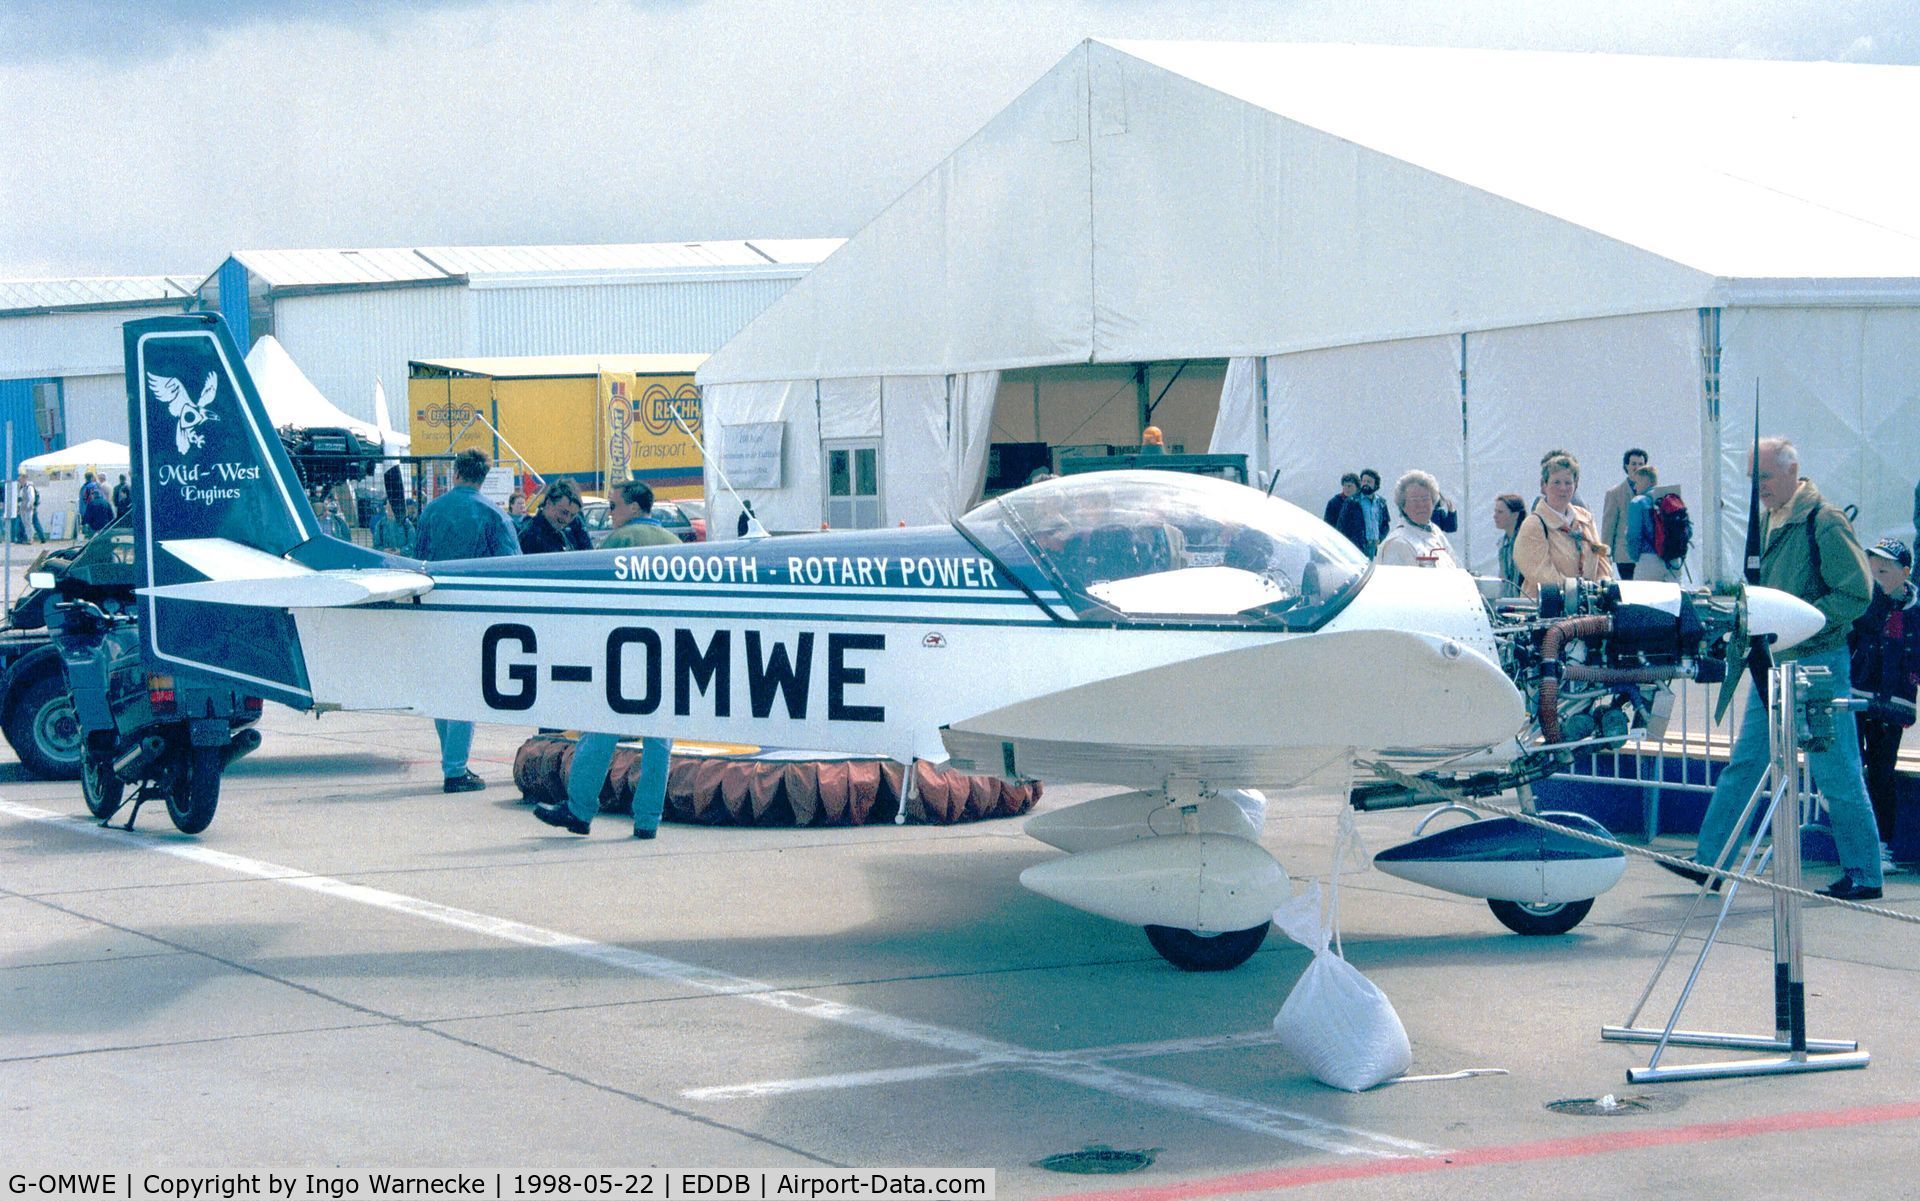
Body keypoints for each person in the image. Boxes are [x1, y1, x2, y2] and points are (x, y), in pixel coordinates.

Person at [1675, 436, 1882, 900]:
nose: (1757, 487)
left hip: (1817, 664)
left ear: (1792, 471)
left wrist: (1798, 624)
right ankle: (1711, 863)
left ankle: (1865, 873)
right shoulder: (1770, 519)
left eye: (1764, 476)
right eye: (1753, 478)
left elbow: (1856, 593)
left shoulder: (1822, 522)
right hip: (1773, 661)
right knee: (1746, 764)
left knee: (1837, 771)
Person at [533, 479, 680, 840]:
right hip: (666, 652)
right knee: (659, 738)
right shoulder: (678, 546)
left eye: (613, 506)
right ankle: (648, 819)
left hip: (623, 653)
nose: (610, 514)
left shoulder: (619, 543)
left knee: (601, 727)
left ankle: (580, 807)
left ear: (633, 507)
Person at [412, 448, 520, 793]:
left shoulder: (432, 511)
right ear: (483, 478)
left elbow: (419, 558)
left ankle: (451, 760)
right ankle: (455, 769)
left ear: (456, 473)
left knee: (441, 689)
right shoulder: (494, 515)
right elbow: (512, 567)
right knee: (465, 690)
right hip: (474, 614)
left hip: (434, 607)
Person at [1851, 538, 1919, 864]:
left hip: (1895, 703)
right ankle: (1857, 843)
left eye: (1886, 565)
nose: (1877, 569)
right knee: (1852, 763)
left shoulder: (1916, 610)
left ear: (1905, 571)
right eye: (1874, 563)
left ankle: (1881, 847)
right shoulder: (1866, 600)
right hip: (1857, 695)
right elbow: (1851, 637)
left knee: (1881, 771)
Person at [1512, 452, 1614, 597]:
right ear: (1544, 485)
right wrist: (1576, 592)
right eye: (1556, 482)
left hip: (1586, 608)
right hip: (1546, 608)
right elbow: (1540, 572)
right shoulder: (1534, 524)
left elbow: (1600, 558)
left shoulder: (1585, 519)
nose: (1563, 488)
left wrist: (1602, 586)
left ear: (1575, 485)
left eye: (1568, 483)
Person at [1375, 470, 1458, 568]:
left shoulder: (1435, 532)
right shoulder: (1397, 543)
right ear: (1403, 506)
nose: (1421, 505)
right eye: (1414, 500)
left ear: (1433, 503)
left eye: (1425, 499)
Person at [1601, 448, 1649, 580]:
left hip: (1647, 554)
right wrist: (1605, 555)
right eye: (1633, 464)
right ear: (1626, 466)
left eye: (1641, 464)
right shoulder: (1615, 493)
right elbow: (1608, 526)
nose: (1637, 467)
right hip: (1625, 555)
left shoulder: (1651, 492)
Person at [1624, 465, 1674, 582]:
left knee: (1641, 599)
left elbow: (1633, 535)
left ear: (1645, 481)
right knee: (1673, 599)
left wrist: (1636, 557)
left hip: (1648, 559)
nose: (1635, 487)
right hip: (1674, 561)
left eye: (1636, 482)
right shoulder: (1672, 500)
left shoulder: (1638, 502)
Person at [518, 479, 590, 554]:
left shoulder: (574, 526)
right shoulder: (530, 535)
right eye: (564, 512)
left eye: (572, 515)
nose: (567, 520)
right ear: (549, 503)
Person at [1337, 469, 1389, 559]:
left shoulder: (1380, 503)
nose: (1365, 484)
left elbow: (1385, 524)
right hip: (1357, 546)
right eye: (1363, 481)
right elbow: (1342, 526)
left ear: (1376, 484)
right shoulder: (1352, 502)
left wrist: (1380, 538)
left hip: (1374, 547)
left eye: (1369, 481)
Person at [1492, 493, 1527, 597]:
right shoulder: (1502, 544)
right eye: (1495, 511)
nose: (1495, 516)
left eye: (1500, 512)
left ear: (1515, 515)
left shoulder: (1526, 542)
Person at [1323, 473, 1360, 538]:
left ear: (1357, 487)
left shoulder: (1362, 503)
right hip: (1339, 540)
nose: (1346, 488)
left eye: (1349, 486)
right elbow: (1328, 525)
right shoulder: (1334, 503)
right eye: (1344, 486)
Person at [79, 471, 114, 535]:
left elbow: (83, 500)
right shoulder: (93, 486)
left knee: (89, 535)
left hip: (84, 513)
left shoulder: (82, 487)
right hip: (93, 513)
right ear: (92, 477)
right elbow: (94, 497)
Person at [10, 472, 35, 545]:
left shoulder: (29, 487)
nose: (19, 481)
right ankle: (28, 538)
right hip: (22, 508)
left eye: (20, 480)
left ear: (24, 479)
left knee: (29, 523)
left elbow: (32, 497)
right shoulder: (22, 488)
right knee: (25, 523)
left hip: (27, 508)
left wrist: (29, 505)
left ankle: (31, 538)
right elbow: (20, 498)